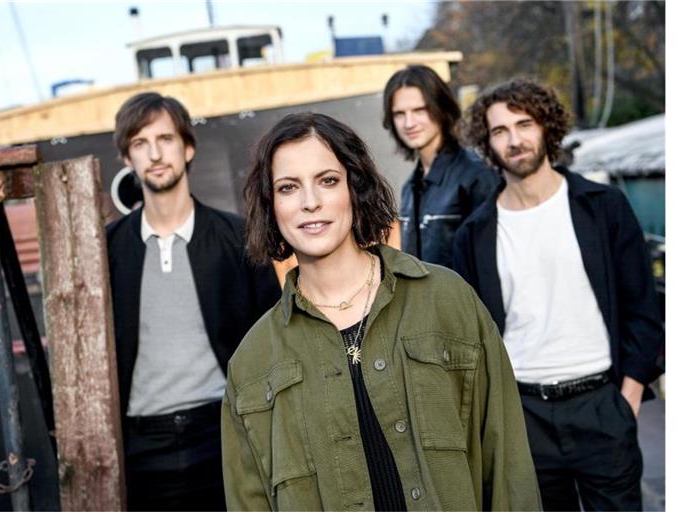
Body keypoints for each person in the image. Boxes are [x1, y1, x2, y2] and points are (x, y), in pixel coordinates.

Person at [221, 112, 540, 511]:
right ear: (271, 206)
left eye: (328, 180)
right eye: (288, 187)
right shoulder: (251, 366)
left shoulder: (447, 300)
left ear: (355, 188)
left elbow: (509, 468)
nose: (310, 202)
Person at [453, 78, 664, 511]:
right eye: (499, 131)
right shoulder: (474, 235)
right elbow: (468, 338)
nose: (514, 140)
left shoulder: (603, 207)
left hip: (601, 406)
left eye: (524, 123)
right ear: (487, 144)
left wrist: (629, 396)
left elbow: (643, 307)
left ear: (547, 126)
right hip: (523, 415)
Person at [105, 92, 281, 511]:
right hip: (141, 447)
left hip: (224, 433)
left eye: (165, 139)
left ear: (187, 148)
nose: (155, 153)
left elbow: (275, 338)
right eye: (139, 143)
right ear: (127, 159)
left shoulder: (237, 238)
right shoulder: (107, 250)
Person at [382, 64, 500, 269]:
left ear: (441, 109)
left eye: (420, 110)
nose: (409, 123)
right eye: (399, 114)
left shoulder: (477, 176)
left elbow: (492, 267)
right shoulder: (410, 187)